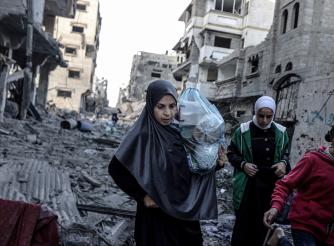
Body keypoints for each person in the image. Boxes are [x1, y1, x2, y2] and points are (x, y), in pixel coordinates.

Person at [108, 80, 225, 246]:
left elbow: (189, 168)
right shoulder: (142, 135)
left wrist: (217, 165)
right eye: (160, 107)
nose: (167, 113)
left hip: (184, 212)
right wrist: (142, 197)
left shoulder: (180, 131)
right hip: (157, 218)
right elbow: (115, 169)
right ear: (150, 106)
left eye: (172, 106)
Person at [226, 95, 290, 246]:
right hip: (249, 185)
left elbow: (286, 154)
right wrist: (243, 165)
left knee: (265, 223)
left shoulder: (281, 132)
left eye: (269, 116)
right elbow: (231, 153)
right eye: (261, 116)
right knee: (243, 224)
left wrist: (283, 163)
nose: (265, 121)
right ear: (255, 112)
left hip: (271, 185)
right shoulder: (242, 131)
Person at [263, 124, 334, 246]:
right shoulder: (313, 160)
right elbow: (285, 185)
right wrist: (275, 207)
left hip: (329, 231)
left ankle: (279, 239)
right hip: (306, 222)